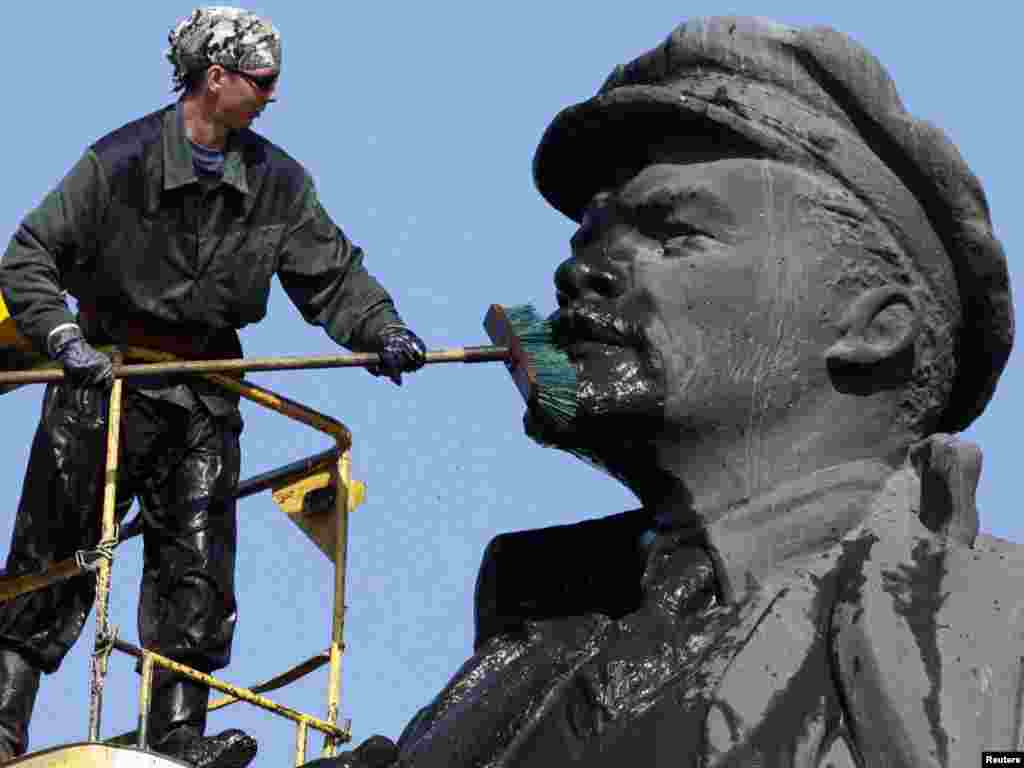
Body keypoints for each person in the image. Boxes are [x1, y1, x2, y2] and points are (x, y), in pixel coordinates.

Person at [320, 15, 1016, 768]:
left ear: (871, 327)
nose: (580, 272)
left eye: (673, 232)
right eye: (585, 239)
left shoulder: (990, 631)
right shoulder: (520, 655)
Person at [0, 7, 427, 768]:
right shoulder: (119, 162)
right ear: (215, 77)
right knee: (53, 560)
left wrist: (382, 330)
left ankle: (174, 735)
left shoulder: (278, 183)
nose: (272, 96)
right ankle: (1, 728)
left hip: (204, 395)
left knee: (196, 569)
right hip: (106, 379)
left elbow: (333, 276)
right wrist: (62, 338)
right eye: (261, 81)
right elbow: (29, 254)